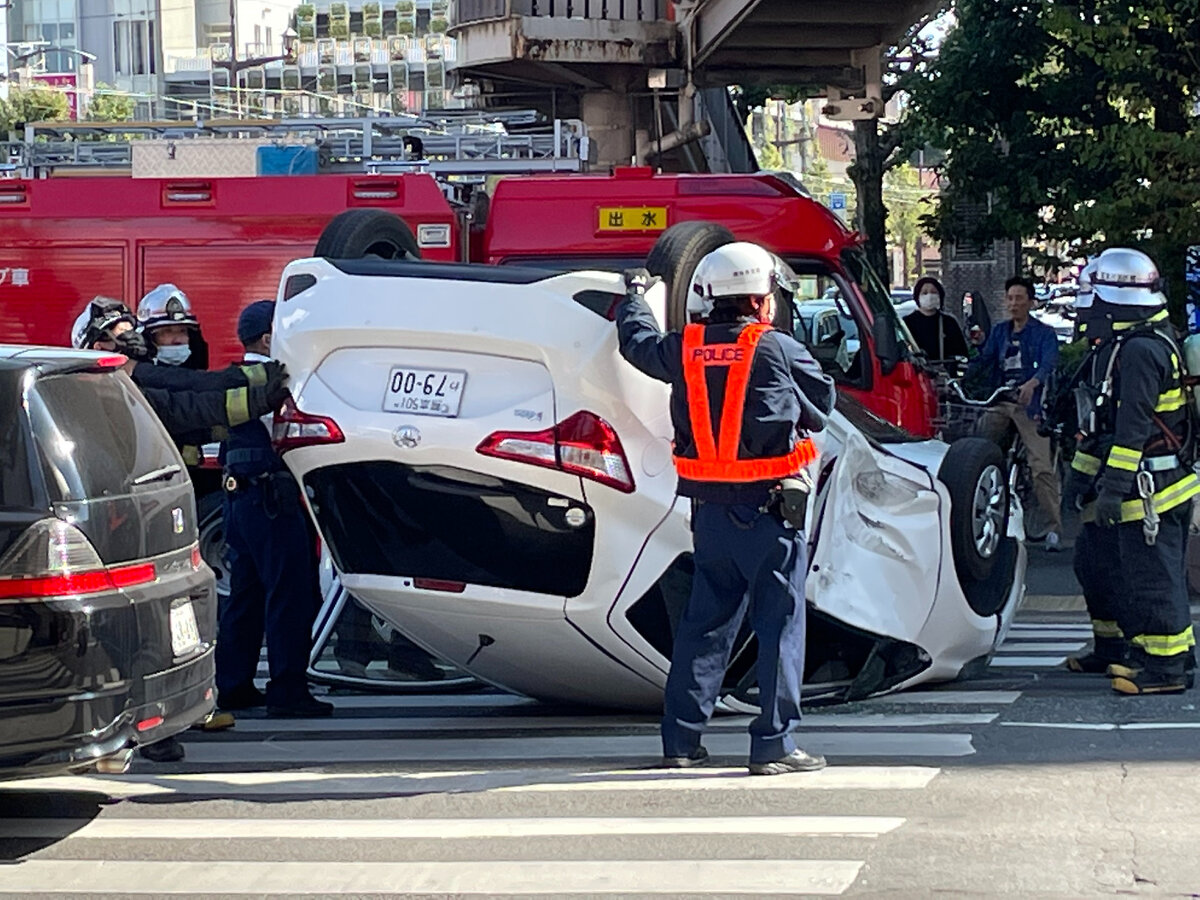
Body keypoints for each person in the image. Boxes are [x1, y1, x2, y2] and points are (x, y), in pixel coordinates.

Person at [616, 243, 836, 776]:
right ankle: (774, 745)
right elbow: (822, 405)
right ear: (761, 300)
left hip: (710, 516)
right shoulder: (776, 347)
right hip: (770, 514)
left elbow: (638, 345)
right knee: (779, 627)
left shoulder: (685, 348)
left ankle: (682, 742)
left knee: (704, 626)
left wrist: (634, 300)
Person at [71, 297, 289, 760]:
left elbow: (190, 392)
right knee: (133, 627)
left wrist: (248, 389)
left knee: (170, 620)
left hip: (155, 521)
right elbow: (184, 406)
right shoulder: (99, 388)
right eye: (121, 337)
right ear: (94, 347)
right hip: (119, 529)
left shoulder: (129, 383)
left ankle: (169, 715)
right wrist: (252, 397)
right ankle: (138, 727)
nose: (136, 344)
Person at [1065, 248, 1197, 694]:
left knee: (1153, 578)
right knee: (1096, 562)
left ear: (1116, 301)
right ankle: (1114, 648)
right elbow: (1100, 428)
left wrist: (1113, 487)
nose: (1090, 313)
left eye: (1095, 301)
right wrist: (1080, 479)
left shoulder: (1142, 351)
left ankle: (1166, 668)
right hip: (1131, 485)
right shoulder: (1121, 347)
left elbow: (1132, 431)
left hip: (1152, 488)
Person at [217, 300, 333, 718]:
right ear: (269, 338)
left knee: (244, 595)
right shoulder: (276, 378)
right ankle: (287, 689)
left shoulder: (232, 376)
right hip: (271, 501)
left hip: (239, 500)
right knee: (291, 593)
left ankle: (233, 685)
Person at [968, 276, 1064, 550]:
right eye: (1010, 298)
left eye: (1019, 298)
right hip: (1002, 399)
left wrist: (1033, 384)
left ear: (1030, 302)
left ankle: (1053, 527)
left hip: (1030, 405)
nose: (1013, 304)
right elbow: (984, 360)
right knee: (976, 447)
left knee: (1040, 468)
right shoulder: (1000, 332)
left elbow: (1048, 364)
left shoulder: (1044, 333)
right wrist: (959, 373)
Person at [903, 277, 969, 366]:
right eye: (924, 293)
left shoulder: (949, 322)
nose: (929, 296)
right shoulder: (907, 322)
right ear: (917, 296)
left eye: (934, 292)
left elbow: (961, 352)